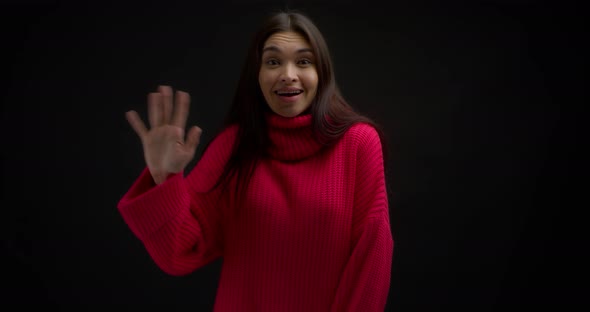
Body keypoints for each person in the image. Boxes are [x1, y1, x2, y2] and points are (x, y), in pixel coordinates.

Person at [118, 10, 393, 311]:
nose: (288, 74)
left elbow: (372, 258)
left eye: (303, 61)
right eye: (273, 62)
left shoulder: (358, 143)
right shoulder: (234, 147)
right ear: (257, 75)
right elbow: (179, 253)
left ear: (322, 73)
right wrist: (163, 178)